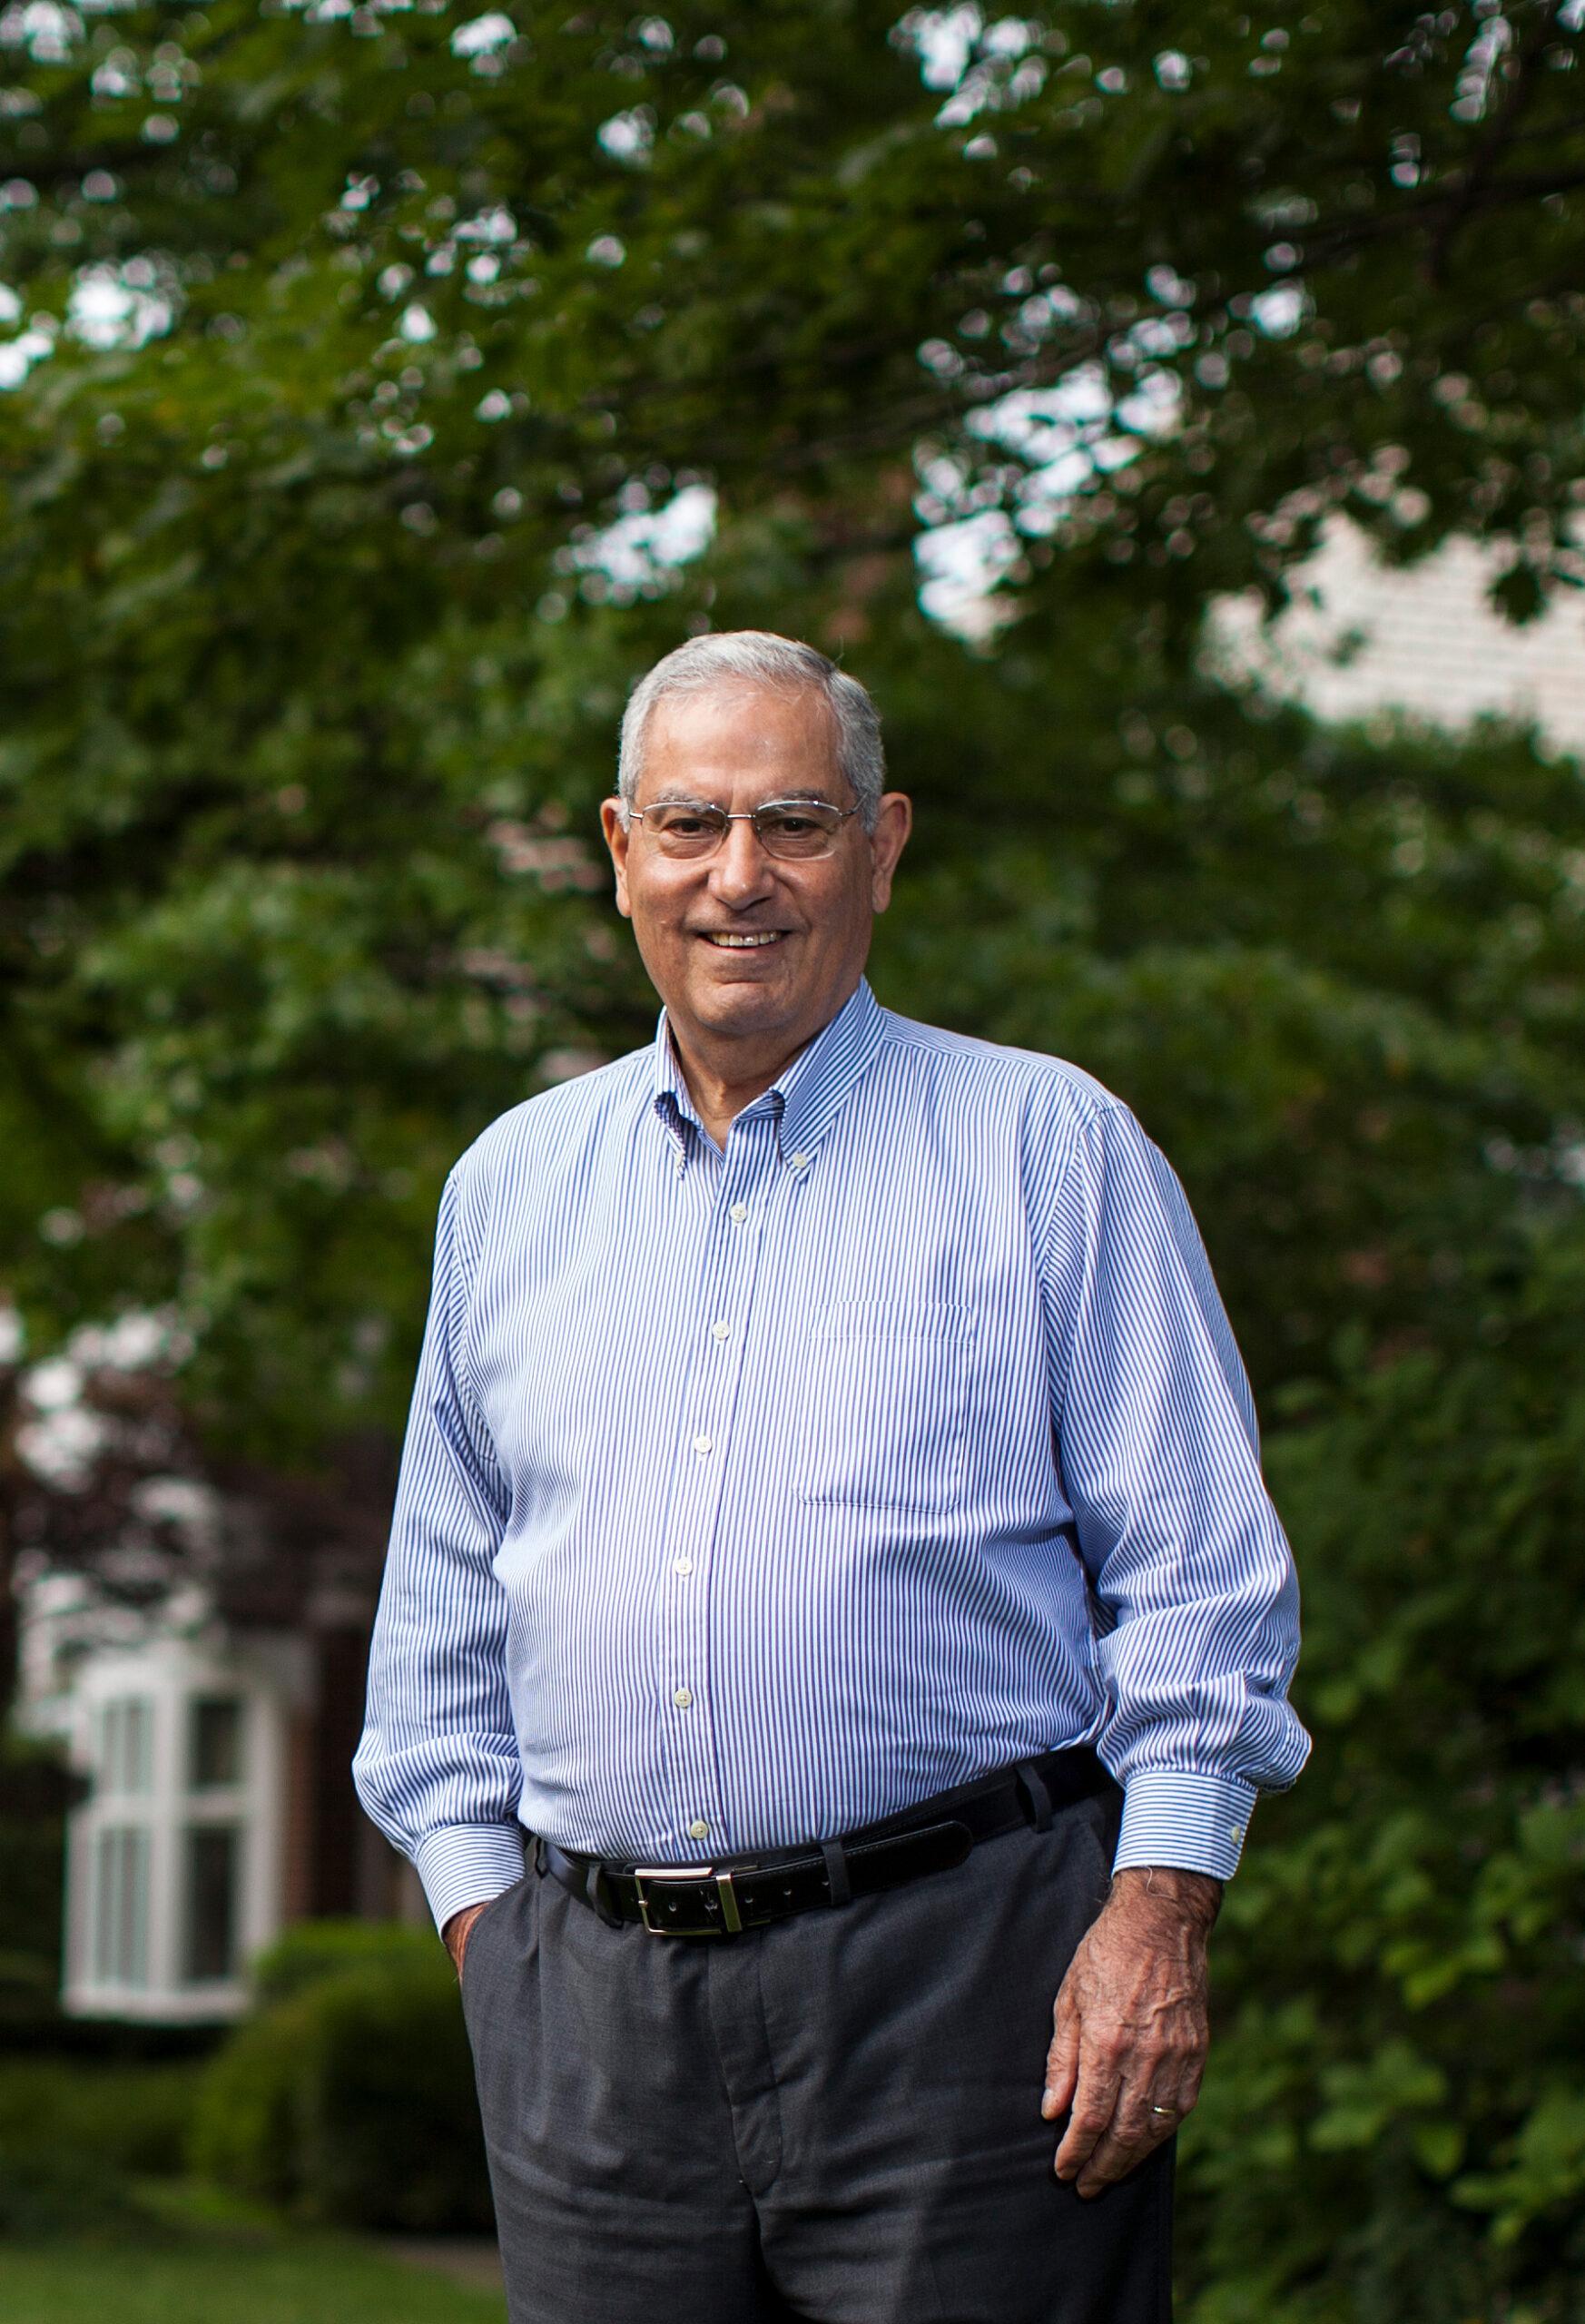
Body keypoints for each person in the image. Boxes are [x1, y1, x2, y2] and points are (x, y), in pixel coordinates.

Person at [353, 631, 1309, 2324]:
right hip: (591, 2021)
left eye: (795, 822)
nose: (741, 877)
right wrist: (493, 1951)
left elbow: (1203, 1582)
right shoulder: (507, 1189)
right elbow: (438, 1632)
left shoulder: (1047, 1148)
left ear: (882, 847)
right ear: (618, 851)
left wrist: (1156, 1917)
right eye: (691, 824)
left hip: (969, 2001)